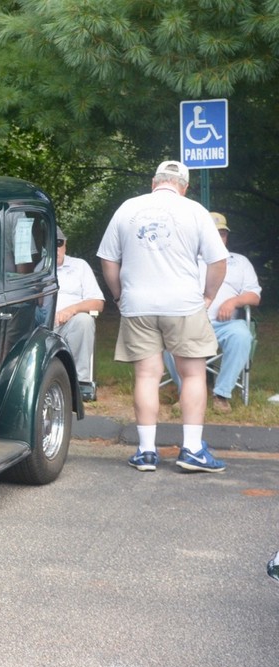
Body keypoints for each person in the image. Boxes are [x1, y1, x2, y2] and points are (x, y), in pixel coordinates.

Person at [97, 160, 229, 473]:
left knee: (147, 374)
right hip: (183, 303)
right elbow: (218, 261)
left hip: (138, 304)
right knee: (193, 373)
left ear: (154, 182)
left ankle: (145, 452)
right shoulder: (194, 210)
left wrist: (119, 296)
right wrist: (208, 295)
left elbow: (107, 259)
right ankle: (193, 449)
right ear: (183, 186)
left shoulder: (128, 208)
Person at [163, 211, 262, 413]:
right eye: (214, 233)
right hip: (189, 322)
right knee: (167, 337)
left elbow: (254, 296)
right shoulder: (184, 260)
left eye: (223, 234)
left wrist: (234, 301)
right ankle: (187, 392)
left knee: (242, 335)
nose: (220, 238)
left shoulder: (239, 261)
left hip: (225, 325)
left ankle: (221, 394)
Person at [54, 227, 104, 399]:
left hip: (69, 324)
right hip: (40, 324)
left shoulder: (80, 266)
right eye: (51, 243)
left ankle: (79, 383)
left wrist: (71, 310)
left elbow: (98, 303)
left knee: (84, 320)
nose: (56, 248)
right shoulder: (36, 269)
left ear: (65, 245)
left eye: (59, 243)